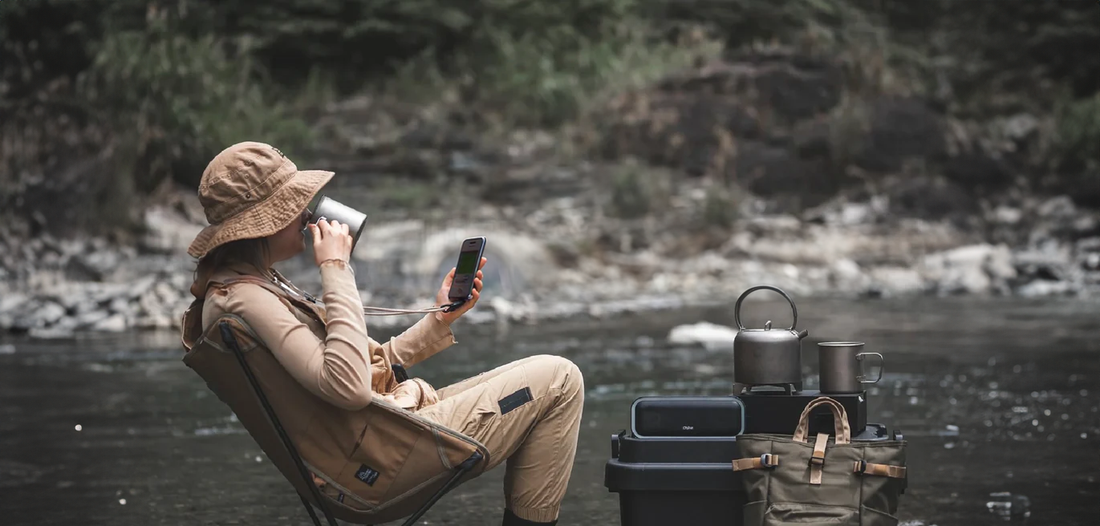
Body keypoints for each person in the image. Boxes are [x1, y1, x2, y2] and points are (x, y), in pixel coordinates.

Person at [182, 141, 583, 526]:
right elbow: (349, 387)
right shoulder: (244, 299)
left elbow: (359, 369)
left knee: (543, 374)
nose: (307, 214)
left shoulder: (249, 286)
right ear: (262, 225)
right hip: (375, 464)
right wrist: (336, 267)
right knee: (560, 379)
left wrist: (438, 320)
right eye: (294, 205)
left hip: (378, 439)